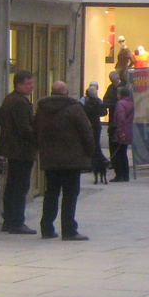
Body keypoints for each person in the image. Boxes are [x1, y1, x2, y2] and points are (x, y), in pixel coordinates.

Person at [34, 80, 94, 241]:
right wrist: (90, 153)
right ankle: (68, 229)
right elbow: (86, 131)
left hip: (51, 159)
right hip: (71, 159)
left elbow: (35, 130)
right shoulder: (74, 108)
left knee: (51, 193)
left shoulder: (42, 109)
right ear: (66, 92)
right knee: (70, 194)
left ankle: (46, 227)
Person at [0, 70, 38, 234]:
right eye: (29, 84)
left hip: (12, 148)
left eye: (32, 83)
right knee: (19, 186)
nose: (32, 87)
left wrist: (7, 131)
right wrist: (36, 139)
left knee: (12, 185)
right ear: (19, 84)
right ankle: (16, 222)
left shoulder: (10, 99)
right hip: (21, 150)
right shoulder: (19, 102)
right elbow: (24, 129)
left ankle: (10, 220)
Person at [82, 82, 108, 184]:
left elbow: (84, 115)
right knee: (96, 145)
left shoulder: (87, 104)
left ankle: (92, 163)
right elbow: (104, 112)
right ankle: (99, 161)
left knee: (91, 145)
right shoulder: (99, 102)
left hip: (89, 126)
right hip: (97, 125)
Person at [109, 85, 134, 182]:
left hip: (121, 131)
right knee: (123, 154)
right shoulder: (130, 103)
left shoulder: (120, 104)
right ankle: (125, 174)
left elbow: (120, 118)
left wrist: (119, 131)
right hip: (128, 130)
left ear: (119, 94)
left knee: (117, 154)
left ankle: (119, 174)